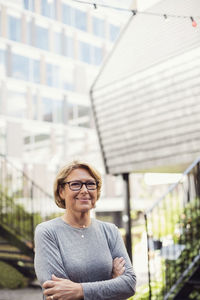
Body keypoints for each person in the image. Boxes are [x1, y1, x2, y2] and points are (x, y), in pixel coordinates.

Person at [34, 161, 136, 300]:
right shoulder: (47, 232)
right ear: (62, 191)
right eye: (75, 184)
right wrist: (113, 284)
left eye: (90, 184)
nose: (84, 190)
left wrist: (79, 290)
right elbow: (57, 294)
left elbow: (129, 285)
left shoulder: (110, 231)